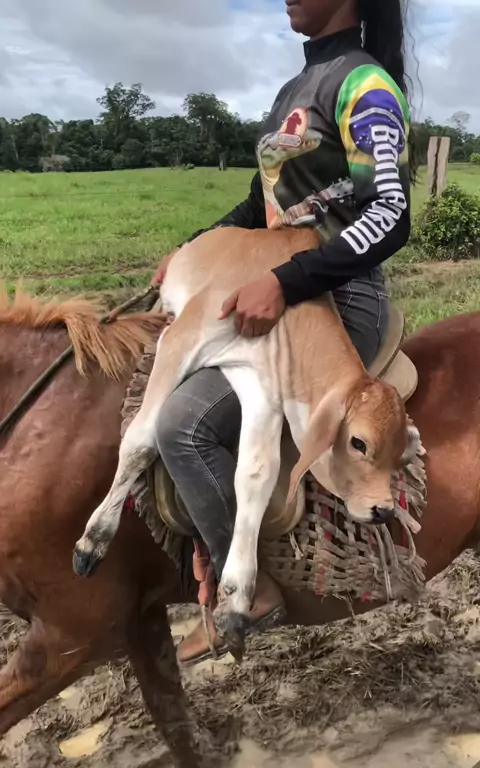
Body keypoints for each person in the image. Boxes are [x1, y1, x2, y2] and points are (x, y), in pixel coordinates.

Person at [153, 0, 413, 665]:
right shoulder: (293, 90)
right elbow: (259, 205)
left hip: (337, 296)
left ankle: (250, 589)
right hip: (278, 284)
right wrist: (190, 248)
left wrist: (288, 281)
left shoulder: (364, 84)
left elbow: (391, 212)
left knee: (182, 424)